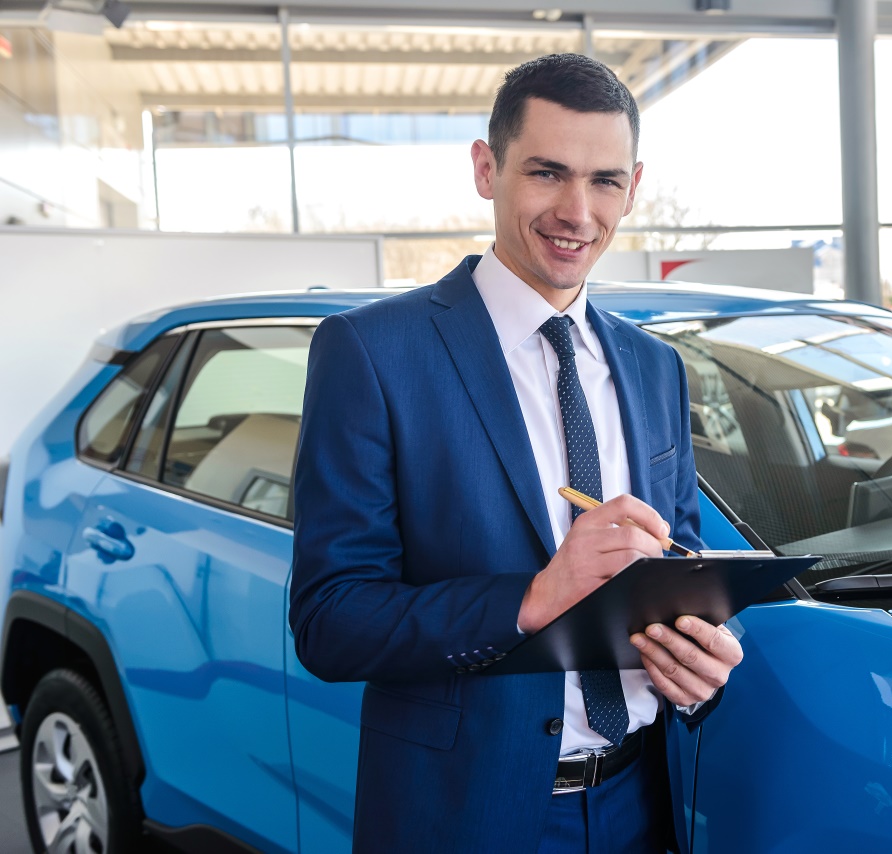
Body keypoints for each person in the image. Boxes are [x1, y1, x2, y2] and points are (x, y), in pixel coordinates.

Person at [289, 53, 743, 853]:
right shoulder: (372, 352)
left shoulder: (654, 365)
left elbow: (680, 555)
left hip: (643, 801)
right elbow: (330, 621)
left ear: (633, 187)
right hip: (467, 815)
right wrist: (532, 597)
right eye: (547, 173)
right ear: (486, 169)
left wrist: (698, 654)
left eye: (604, 181)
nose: (577, 210)